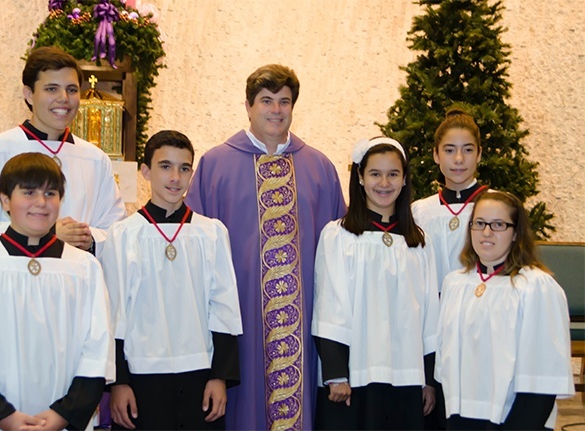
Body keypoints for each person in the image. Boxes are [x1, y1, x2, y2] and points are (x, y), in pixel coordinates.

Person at [0, 46, 126, 427]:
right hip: (1, 300)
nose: (64, 100)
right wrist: (43, 233)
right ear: (28, 94)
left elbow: (115, 227)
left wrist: (90, 240)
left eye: (71, 90)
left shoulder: (95, 158)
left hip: (69, 293)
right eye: (51, 89)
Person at [185, 64, 346, 430]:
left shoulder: (319, 167)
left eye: (284, 101)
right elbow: (194, 251)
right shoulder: (215, 164)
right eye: (266, 101)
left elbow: (340, 255)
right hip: (238, 320)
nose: (276, 110)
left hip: (302, 323)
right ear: (248, 105)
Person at [0, 153, 114, 431]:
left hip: (62, 420)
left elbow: (97, 350)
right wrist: (3, 417)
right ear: (5, 199)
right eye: (29, 192)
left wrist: (62, 415)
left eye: (50, 192)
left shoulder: (84, 267)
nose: (41, 203)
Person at [101, 130, 243, 430]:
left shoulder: (212, 232)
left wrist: (219, 376)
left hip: (200, 373)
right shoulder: (123, 234)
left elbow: (224, 308)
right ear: (145, 171)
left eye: (184, 168)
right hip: (141, 375)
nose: (175, 177)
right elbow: (113, 313)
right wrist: (119, 383)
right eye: (165, 166)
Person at [312, 137, 439, 430]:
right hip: (354, 375)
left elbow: (430, 314)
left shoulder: (418, 242)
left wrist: (429, 380)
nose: (384, 183)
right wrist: (336, 374)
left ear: (405, 179)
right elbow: (331, 304)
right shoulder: (339, 236)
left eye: (393, 174)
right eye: (375, 174)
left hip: (407, 373)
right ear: (360, 177)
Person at [435, 190, 574, 430]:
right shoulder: (455, 284)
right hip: (460, 418)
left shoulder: (536, 288)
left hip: (514, 420)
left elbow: (541, 379)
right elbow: (446, 365)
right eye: (479, 223)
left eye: (498, 224)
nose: (486, 232)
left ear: (515, 233)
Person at [412, 108, 488, 294]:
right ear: (436, 155)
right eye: (449, 150)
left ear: (479, 154)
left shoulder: (497, 206)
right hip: (432, 313)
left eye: (468, 150)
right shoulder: (420, 212)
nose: (459, 159)